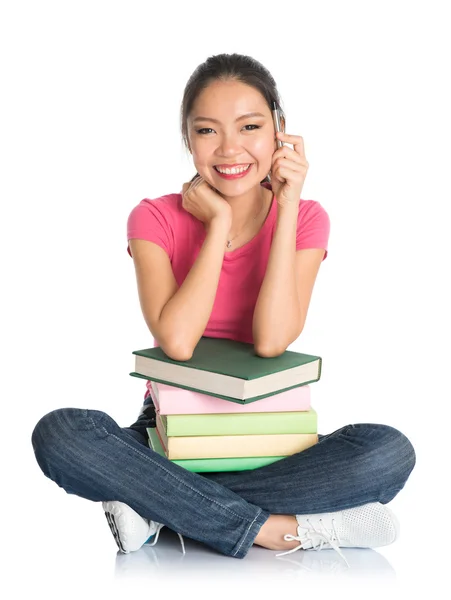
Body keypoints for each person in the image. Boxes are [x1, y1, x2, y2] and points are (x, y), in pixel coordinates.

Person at [31, 53, 416, 562]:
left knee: (388, 451)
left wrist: (288, 203)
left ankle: (155, 504)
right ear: (188, 140)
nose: (230, 148)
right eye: (208, 131)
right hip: (171, 428)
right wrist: (215, 227)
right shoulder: (154, 217)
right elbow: (178, 341)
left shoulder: (305, 218)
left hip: (270, 431)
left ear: (279, 128)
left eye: (250, 127)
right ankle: (277, 530)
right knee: (61, 434)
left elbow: (272, 340)